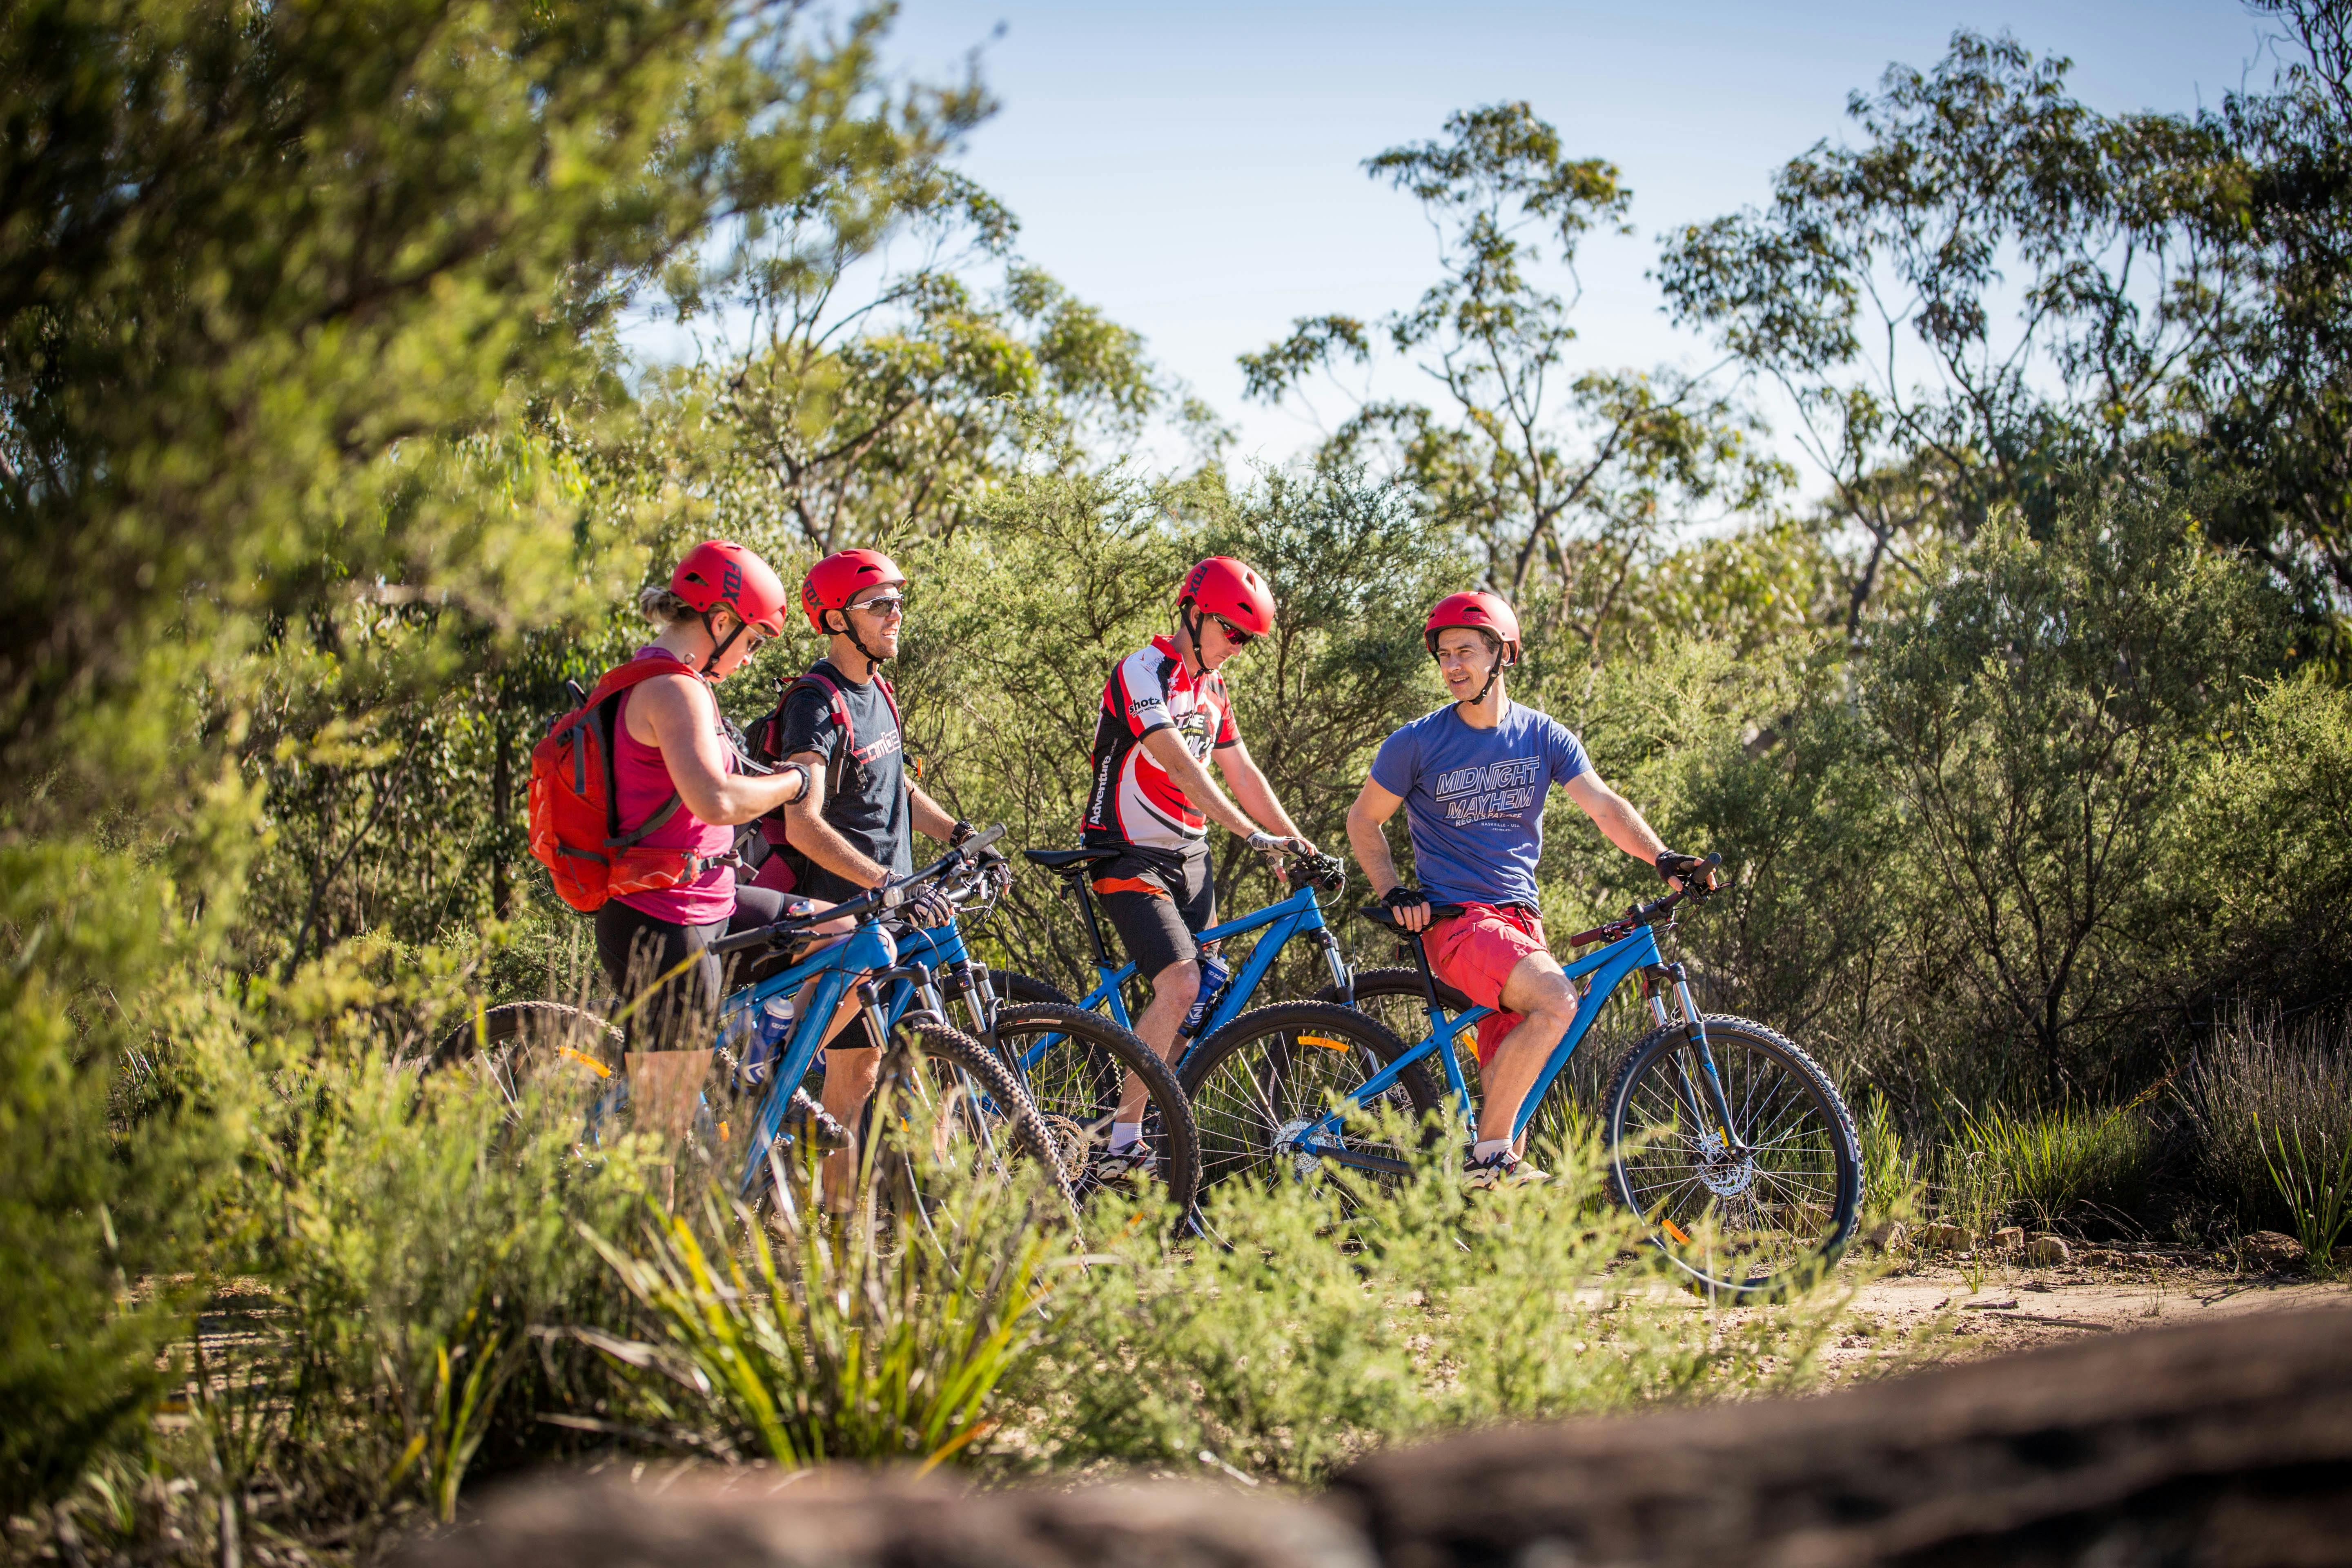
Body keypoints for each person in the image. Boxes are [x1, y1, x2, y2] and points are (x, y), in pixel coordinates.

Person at [1343, 590, 1718, 1188]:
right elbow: (1363, 820)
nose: (1452, 667)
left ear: (1503, 655)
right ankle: (1484, 1162)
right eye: (1443, 655)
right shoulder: (1416, 742)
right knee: (1557, 1002)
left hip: (1521, 923)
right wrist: (1393, 891)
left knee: (1512, 1090)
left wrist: (1663, 857)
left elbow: (1603, 806)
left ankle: (1486, 1244)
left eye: (1465, 651)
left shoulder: (1544, 736)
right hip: (1459, 921)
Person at [1080, 556, 1317, 1177]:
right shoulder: (1143, 670)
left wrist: (1297, 843)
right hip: (1126, 852)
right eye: (1233, 634)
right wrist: (1251, 834)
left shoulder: (1214, 688)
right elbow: (1181, 765)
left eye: (1247, 641)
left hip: (1191, 857)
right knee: (1181, 983)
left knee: (1204, 997)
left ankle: (1149, 1129)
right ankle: (1121, 1144)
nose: (1237, 648)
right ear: (1195, 613)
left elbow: (1242, 772)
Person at [763, 548, 969, 1207]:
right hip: (839, 923)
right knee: (841, 1077)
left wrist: (958, 835)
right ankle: (810, 1214)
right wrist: (884, 879)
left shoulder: (878, 690)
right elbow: (803, 823)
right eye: (878, 604)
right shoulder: (815, 703)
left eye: (898, 601)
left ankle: (836, 1230)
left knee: (864, 1073)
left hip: (892, 913)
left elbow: (896, 786)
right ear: (834, 619)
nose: (895, 614)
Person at [592, 540, 821, 1054]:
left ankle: (758, 1073)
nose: (748, 659)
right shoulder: (672, 689)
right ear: (721, 622)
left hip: (711, 900)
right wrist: (798, 782)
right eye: (754, 640)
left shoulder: (680, 682)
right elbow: (716, 801)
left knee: (840, 935)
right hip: (666, 919)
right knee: (665, 1128)